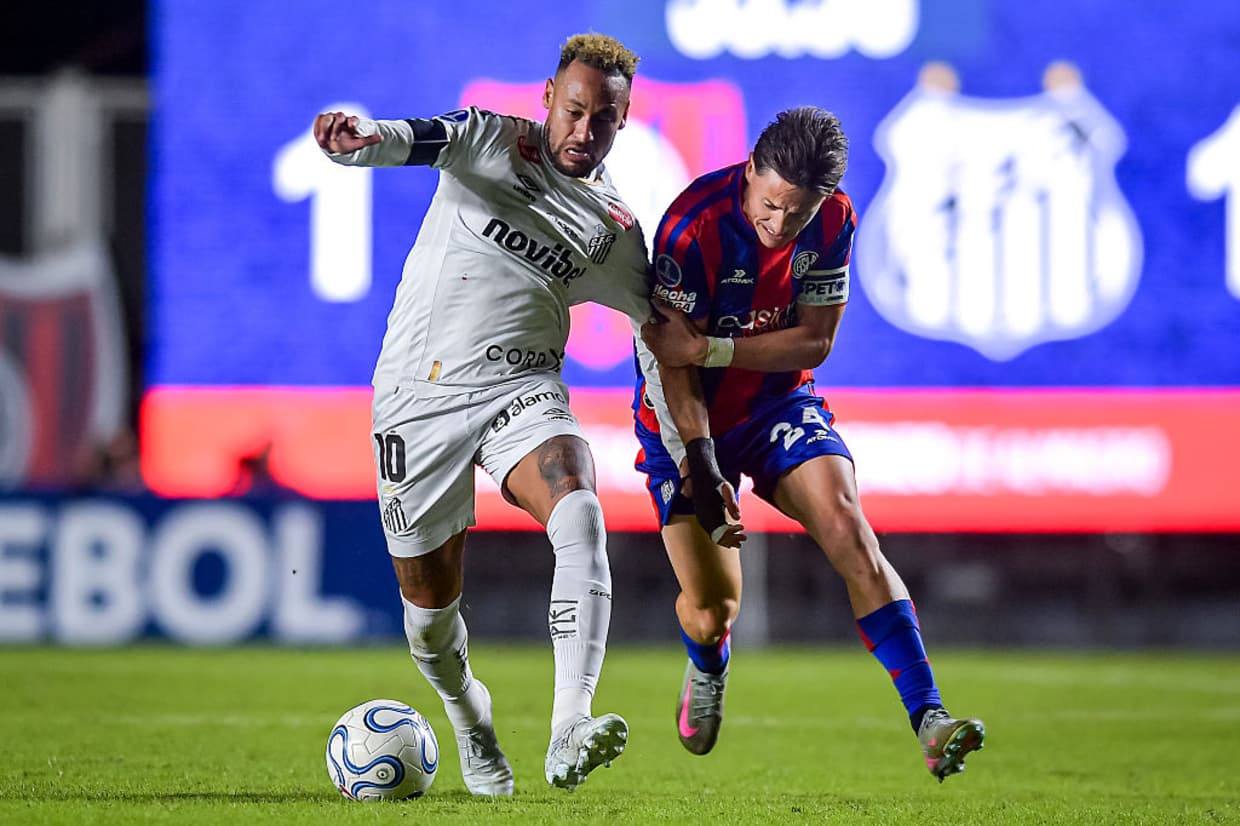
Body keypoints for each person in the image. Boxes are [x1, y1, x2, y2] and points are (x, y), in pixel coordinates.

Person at [313, 33, 652, 795]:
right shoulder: (490, 140)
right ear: (547, 98)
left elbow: (663, 330)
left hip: (523, 390)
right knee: (430, 623)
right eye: (573, 110)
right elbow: (407, 138)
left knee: (581, 512)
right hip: (417, 395)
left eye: (603, 118)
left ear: (623, 123)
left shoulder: (614, 229)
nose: (583, 130)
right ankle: (469, 716)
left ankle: (571, 724)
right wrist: (358, 139)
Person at [634, 106, 985, 781]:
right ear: (749, 174)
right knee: (713, 610)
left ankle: (931, 719)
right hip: (687, 422)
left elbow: (814, 341)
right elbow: (670, 360)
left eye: (796, 215)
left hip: (776, 404)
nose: (779, 226)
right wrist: (703, 468)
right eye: (770, 207)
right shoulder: (691, 225)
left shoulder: (834, 220)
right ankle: (708, 661)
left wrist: (714, 346)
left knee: (850, 530)